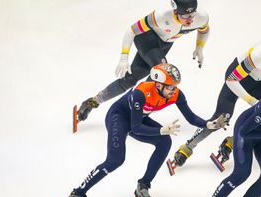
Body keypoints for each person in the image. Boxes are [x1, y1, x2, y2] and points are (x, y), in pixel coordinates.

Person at [60, 63, 228, 197]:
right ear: (158, 84)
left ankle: (143, 185)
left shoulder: (175, 94)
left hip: (139, 119)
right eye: (170, 87)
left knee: (165, 142)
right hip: (119, 118)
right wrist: (161, 130)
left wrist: (208, 124)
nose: (173, 91)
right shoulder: (141, 93)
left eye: (175, 86)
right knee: (115, 160)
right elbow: (136, 128)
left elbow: (190, 117)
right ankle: (78, 193)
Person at [172, 28, 261, 168]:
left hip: (260, 80)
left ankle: (233, 141)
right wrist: (252, 101)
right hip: (238, 79)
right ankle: (187, 147)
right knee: (221, 118)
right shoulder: (259, 55)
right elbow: (231, 80)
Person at [76, 0, 210, 123]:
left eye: (193, 15)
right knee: (163, 74)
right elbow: (132, 30)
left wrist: (199, 47)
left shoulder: (201, 17)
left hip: (164, 44)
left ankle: (93, 102)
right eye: (186, 16)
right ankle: (138, 111)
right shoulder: (161, 16)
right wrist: (124, 57)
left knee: (129, 80)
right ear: (175, 11)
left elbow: (204, 30)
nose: (190, 20)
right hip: (147, 39)